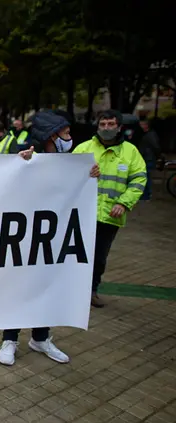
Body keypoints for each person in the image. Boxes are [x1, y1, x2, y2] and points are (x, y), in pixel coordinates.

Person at [0, 111, 100, 366]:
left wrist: (89, 177)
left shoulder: (69, 162)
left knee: (46, 285)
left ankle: (40, 337)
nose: (70, 138)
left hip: (52, 235)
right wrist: (18, 164)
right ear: (52, 135)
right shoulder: (25, 153)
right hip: (22, 235)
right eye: (66, 133)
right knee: (19, 286)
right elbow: (4, 182)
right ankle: (10, 339)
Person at [74, 110, 147, 308]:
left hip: (109, 216)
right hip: (82, 213)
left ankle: (92, 290)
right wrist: (84, 173)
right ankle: (73, 291)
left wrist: (124, 203)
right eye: (103, 124)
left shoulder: (130, 152)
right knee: (76, 254)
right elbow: (67, 175)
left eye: (111, 124)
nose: (106, 128)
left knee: (99, 257)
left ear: (119, 127)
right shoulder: (84, 148)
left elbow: (139, 180)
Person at [137, 119, 160, 201]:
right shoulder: (148, 134)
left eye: (142, 124)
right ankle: (146, 195)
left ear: (146, 125)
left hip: (148, 158)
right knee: (145, 176)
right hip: (147, 158)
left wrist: (157, 157)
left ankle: (146, 195)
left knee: (146, 177)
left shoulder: (150, 135)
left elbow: (156, 147)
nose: (140, 126)